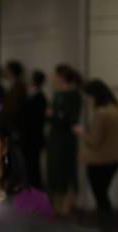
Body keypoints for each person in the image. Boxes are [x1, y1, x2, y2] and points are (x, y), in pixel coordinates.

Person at [73, 80, 118, 232]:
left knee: (101, 196)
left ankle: (106, 228)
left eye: (88, 97)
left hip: (99, 160)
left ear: (94, 96)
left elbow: (94, 141)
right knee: (104, 194)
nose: (88, 101)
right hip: (116, 158)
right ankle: (108, 227)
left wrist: (81, 131)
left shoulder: (100, 114)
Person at [46, 64, 83, 217]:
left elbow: (69, 118)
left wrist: (53, 115)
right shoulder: (57, 94)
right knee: (54, 171)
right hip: (55, 138)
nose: (53, 79)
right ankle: (56, 205)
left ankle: (67, 205)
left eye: (55, 75)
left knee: (65, 170)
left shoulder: (73, 95)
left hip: (65, 139)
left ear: (61, 77)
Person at [21, 70, 48, 188]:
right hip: (29, 136)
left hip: (33, 136)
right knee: (29, 164)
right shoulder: (32, 96)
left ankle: (34, 188)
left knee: (33, 165)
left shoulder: (39, 98)